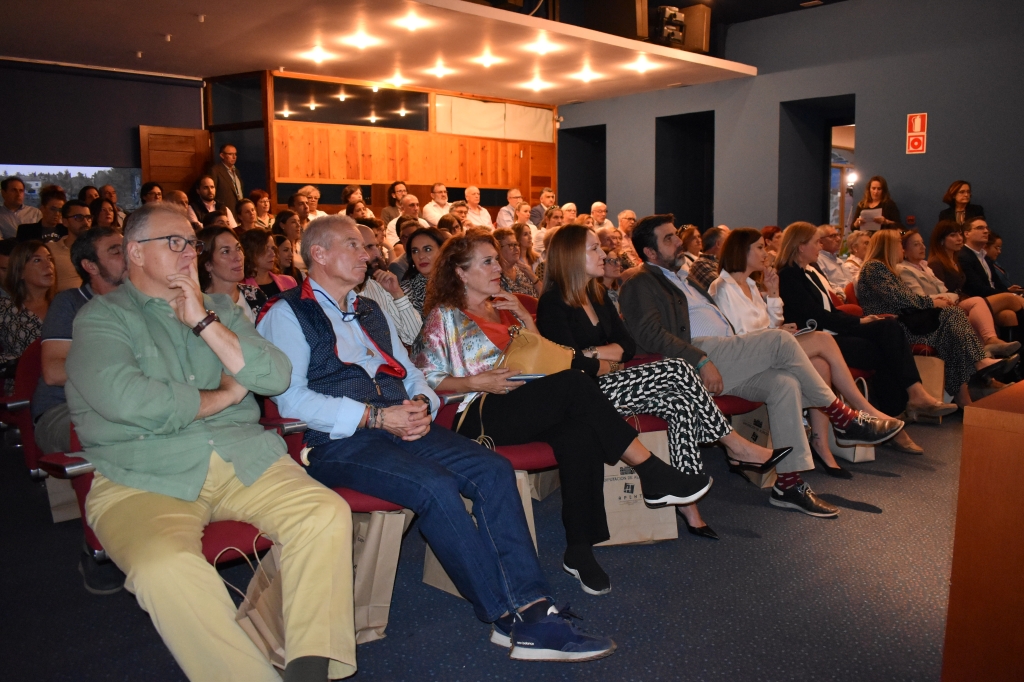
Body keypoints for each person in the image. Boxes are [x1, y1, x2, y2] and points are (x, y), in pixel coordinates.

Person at [259, 217, 615, 661]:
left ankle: (533, 604)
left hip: (401, 425)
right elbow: (289, 399)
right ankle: (508, 618)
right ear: (319, 254)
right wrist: (374, 416)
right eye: (353, 245)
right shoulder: (286, 313)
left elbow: (411, 374)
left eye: (365, 246)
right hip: (338, 441)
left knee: (492, 469)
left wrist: (422, 404)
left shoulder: (368, 310)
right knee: (437, 487)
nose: (366, 253)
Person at [66, 203, 355, 681]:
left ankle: (309, 669)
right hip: (141, 472)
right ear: (135, 252)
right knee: (164, 567)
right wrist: (224, 394)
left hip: (243, 456)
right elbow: (128, 401)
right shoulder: (101, 319)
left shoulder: (220, 309)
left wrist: (203, 321)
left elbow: (275, 374)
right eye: (173, 242)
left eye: (191, 243)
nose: (188, 253)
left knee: (324, 513)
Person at [412, 227, 712, 595]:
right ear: (460, 272)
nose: (497, 268)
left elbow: (545, 358)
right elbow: (425, 377)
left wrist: (524, 315)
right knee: (575, 384)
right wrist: (476, 382)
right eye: (487, 262)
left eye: (495, 260)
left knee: (580, 431)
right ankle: (652, 471)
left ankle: (579, 548)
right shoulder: (445, 315)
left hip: (526, 402)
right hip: (479, 411)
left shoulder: (504, 307)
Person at [620, 215, 904, 517]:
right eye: (668, 239)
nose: (678, 242)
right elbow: (649, 334)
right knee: (780, 341)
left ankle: (789, 484)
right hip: (696, 358)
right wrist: (700, 359)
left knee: (785, 384)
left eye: (675, 235)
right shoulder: (640, 281)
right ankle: (843, 417)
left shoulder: (681, 278)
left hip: (726, 354)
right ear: (649, 253)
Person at [538, 224, 792, 532]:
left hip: (611, 382)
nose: (603, 254)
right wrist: (603, 355)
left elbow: (627, 348)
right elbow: (568, 361)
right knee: (678, 368)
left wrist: (594, 353)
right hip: (585, 396)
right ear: (571, 257)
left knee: (678, 403)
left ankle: (688, 503)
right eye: (594, 248)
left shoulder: (598, 294)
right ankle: (734, 445)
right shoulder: (553, 302)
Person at [712, 228, 922, 463]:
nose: (766, 253)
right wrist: (775, 332)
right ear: (742, 251)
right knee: (823, 339)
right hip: (748, 357)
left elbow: (771, 323)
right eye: (760, 248)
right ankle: (857, 413)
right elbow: (738, 336)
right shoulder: (722, 287)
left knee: (822, 363)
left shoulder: (750, 285)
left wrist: (772, 294)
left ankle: (821, 443)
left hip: (769, 346)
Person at [776, 221, 957, 422]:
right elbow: (816, 316)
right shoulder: (789, 276)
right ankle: (896, 412)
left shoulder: (809, 273)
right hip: (818, 338)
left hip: (833, 330)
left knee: (889, 327)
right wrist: (858, 323)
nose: (820, 246)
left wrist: (861, 320)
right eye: (816, 242)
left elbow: (831, 312)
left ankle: (913, 396)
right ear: (801, 246)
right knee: (879, 348)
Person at [857, 230, 1015, 406]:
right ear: (888, 247)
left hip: (905, 324)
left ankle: (969, 388)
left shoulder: (886, 270)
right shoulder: (874, 267)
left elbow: (903, 299)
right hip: (893, 329)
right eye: (899, 245)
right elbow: (900, 299)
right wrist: (933, 303)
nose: (902, 249)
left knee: (952, 328)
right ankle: (978, 368)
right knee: (952, 320)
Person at [32, 226, 126, 457]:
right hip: (63, 409)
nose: (128, 256)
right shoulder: (70, 303)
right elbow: (53, 372)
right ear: (90, 266)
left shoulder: (144, 302)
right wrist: (124, 371)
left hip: (125, 403)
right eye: (116, 251)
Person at [899, 229, 1018, 359]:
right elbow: (920, 298)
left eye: (922, 243)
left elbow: (943, 289)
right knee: (1006, 300)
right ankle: (985, 362)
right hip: (933, 312)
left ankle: (991, 343)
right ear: (904, 250)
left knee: (985, 304)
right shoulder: (907, 269)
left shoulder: (925, 266)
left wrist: (950, 297)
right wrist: (947, 298)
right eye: (916, 244)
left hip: (950, 302)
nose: (923, 247)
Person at [928, 219, 1024, 333]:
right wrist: (1010, 294)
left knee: (1008, 315)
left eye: (959, 234)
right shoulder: (943, 261)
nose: (959, 238)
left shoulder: (957, 260)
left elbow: (997, 283)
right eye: (953, 235)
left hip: (968, 299)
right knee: (1010, 298)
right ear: (941, 240)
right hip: (959, 303)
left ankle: (1013, 348)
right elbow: (943, 291)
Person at [354, 223, 422, 344]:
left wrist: (397, 293)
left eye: (377, 246)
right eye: (368, 247)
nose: (378, 254)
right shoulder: (327, 296)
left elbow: (416, 337)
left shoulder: (377, 286)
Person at [0, 241, 56, 381]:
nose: (48, 265)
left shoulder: (66, 305)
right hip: (22, 386)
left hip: (64, 385)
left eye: (49, 259)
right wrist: (18, 362)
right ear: (20, 272)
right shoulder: (5, 308)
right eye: (37, 260)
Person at [197, 226, 267, 324]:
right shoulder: (199, 304)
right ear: (208, 264)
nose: (238, 257)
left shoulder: (255, 295)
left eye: (238, 248)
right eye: (226, 251)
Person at [400, 227, 447, 315]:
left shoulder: (459, 282)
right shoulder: (405, 291)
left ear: (442, 251)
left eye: (427, 249)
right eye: (415, 251)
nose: (421, 256)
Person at [49, 199, 93, 291]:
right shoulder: (50, 251)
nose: (85, 222)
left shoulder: (98, 249)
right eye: (79, 217)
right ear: (65, 222)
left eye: (88, 217)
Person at [241, 228, 295, 297]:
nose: (273, 254)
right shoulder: (240, 287)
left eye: (273, 248)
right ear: (250, 252)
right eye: (265, 249)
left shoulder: (289, 281)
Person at [494, 227, 538, 296]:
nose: (516, 249)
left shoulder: (523, 270)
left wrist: (533, 277)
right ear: (498, 248)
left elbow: (543, 297)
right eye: (511, 245)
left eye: (516, 244)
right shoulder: (495, 276)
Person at [816, 224, 852, 293]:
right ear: (820, 242)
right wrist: (844, 292)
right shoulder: (818, 260)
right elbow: (825, 285)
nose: (838, 239)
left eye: (838, 235)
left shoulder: (839, 260)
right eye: (833, 236)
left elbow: (850, 282)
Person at [687, 226, 725, 291]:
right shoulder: (700, 264)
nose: (699, 240)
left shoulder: (719, 263)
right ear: (718, 244)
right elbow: (724, 289)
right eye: (727, 242)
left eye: (699, 237)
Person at [209, 144, 243, 214]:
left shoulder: (236, 171)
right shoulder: (215, 171)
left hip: (238, 211)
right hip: (224, 211)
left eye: (235, 154)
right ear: (222, 155)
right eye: (230, 154)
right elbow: (212, 193)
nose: (234, 157)